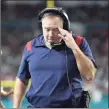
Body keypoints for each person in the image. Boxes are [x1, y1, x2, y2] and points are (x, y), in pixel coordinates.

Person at [13, 7, 97, 108]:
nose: (51, 34)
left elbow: (89, 75)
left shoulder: (79, 42)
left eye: (55, 30)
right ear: (41, 28)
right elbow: (22, 79)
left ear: (65, 28)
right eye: (47, 29)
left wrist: (74, 47)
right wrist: (15, 107)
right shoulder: (30, 46)